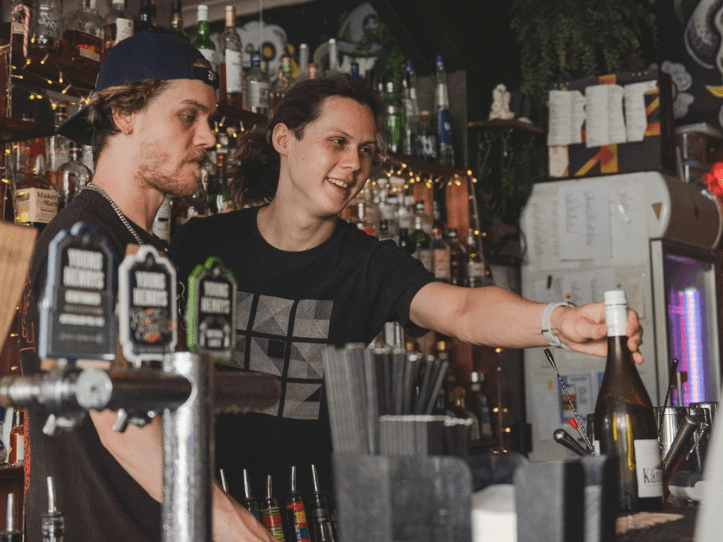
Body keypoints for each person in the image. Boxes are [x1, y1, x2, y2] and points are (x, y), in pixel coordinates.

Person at [168, 76, 644, 501]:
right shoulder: (202, 245)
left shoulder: (370, 264)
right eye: (337, 141)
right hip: (204, 504)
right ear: (283, 139)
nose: (353, 163)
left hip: (312, 512)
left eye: (366, 150)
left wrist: (558, 322)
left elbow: (462, 309)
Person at [17, 32, 276, 541]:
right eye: (188, 116)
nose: (207, 138)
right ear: (124, 115)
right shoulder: (83, 242)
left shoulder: (143, 247)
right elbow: (121, 422)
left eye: (210, 121)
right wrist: (234, 526)